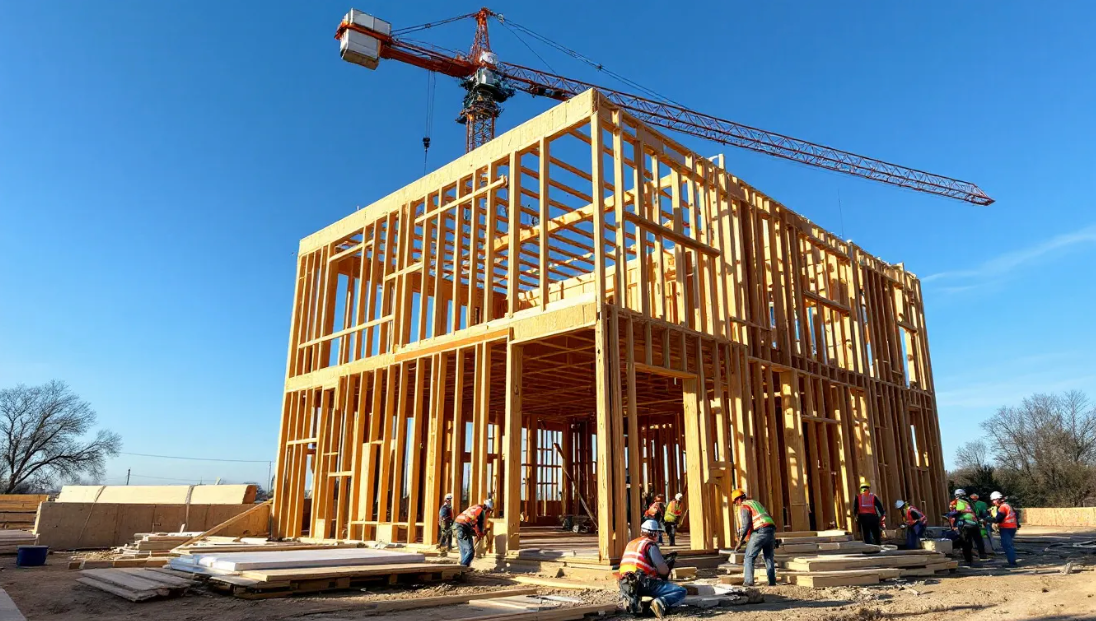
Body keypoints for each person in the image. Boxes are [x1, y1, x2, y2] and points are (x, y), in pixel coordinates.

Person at [617, 519, 686, 619]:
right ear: (653, 533)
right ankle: (660, 602)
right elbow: (662, 569)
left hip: (626, 584)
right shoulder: (650, 545)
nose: (658, 535)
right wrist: (665, 572)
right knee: (680, 591)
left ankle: (640, 604)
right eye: (657, 532)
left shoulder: (631, 543)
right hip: (643, 583)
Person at [731, 489, 777, 587]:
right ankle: (772, 582)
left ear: (738, 499)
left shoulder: (744, 506)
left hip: (760, 530)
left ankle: (748, 582)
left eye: (735, 502)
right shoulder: (756, 503)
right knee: (768, 557)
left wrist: (740, 540)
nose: (736, 504)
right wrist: (746, 539)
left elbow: (746, 524)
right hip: (770, 529)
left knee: (749, 557)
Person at [947, 489, 986, 564]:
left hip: (965, 523)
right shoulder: (970, 502)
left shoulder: (960, 502)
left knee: (966, 542)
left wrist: (949, 514)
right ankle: (982, 554)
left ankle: (968, 560)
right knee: (978, 540)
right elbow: (976, 512)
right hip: (974, 523)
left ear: (957, 495)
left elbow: (958, 512)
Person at [452, 498, 493, 567]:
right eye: (489, 511)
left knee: (465, 552)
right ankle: (461, 567)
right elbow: (470, 520)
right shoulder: (480, 510)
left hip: (460, 527)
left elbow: (473, 523)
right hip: (461, 528)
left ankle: (462, 570)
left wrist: (479, 532)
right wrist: (478, 531)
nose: (489, 513)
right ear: (486, 508)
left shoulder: (475, 508)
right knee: (470, 551)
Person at [991, 491, 1020, 567]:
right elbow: (1016, 514)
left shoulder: (1002, 507)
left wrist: (991, 520)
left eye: (994, 500)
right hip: (1012, 528)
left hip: (1006, 528)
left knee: (1007, 545)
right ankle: (1012, 562)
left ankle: (1012, 563)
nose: (993, 502)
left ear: (997, 499)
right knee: (1008, 545)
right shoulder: (1008, 505)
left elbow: (999, 517)